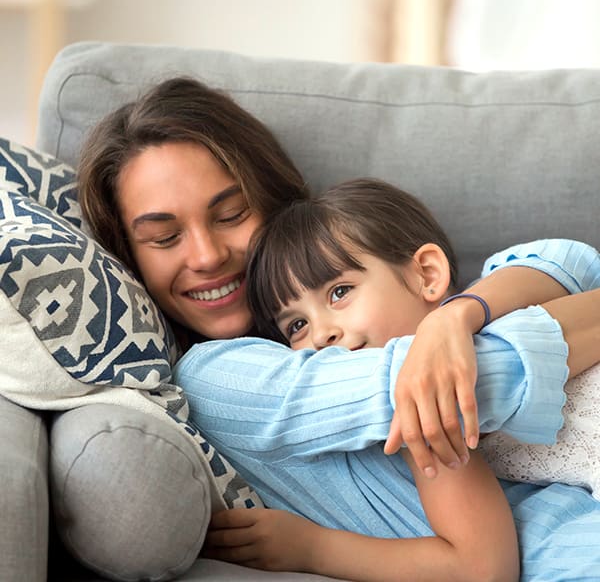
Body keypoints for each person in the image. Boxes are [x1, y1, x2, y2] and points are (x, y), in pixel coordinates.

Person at [78, 76, 600, 581]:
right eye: (165, 238)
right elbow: (446, 384)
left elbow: (571, 261)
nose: (208, 255)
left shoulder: (386, 290)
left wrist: (456, 317)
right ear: (129, 259)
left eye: (231, 214)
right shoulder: (216, 378)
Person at [246, 177, 600, 498]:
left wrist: (453, 317)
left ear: (427, 275)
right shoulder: (395, 432)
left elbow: (570, 262)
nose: (321, 335)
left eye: (340, 292)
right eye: (296, 326)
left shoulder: (491, 314)